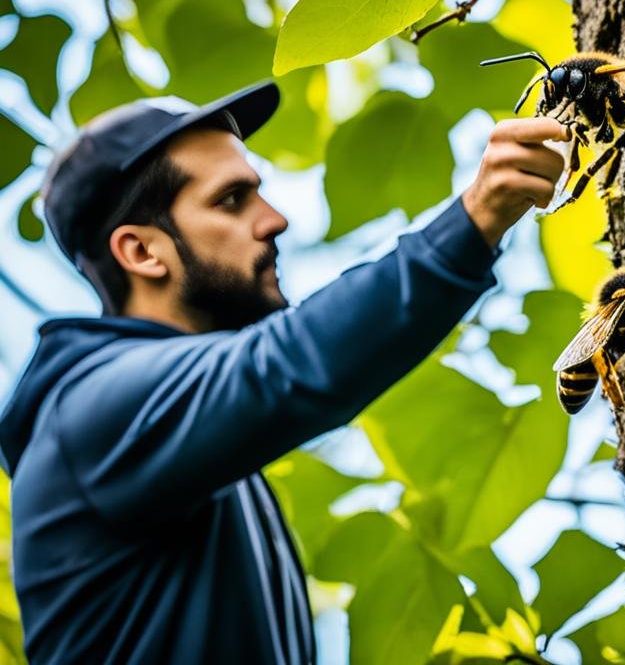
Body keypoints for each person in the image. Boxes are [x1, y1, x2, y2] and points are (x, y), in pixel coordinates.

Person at [0, 81, 568, 664]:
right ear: (143, 253)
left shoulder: (180, 443)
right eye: (231, 200)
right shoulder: (91, 411)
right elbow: (287, 366)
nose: (275, 220)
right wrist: (474, 219)